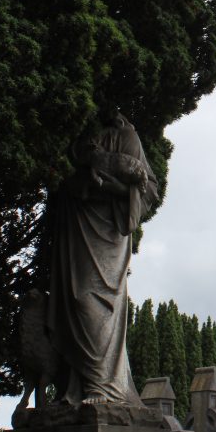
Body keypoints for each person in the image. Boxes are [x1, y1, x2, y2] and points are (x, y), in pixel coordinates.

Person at [47, 111, 157, 406]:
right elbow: (64, 178)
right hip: (77, 224)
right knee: (73, 300)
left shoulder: (126, 136)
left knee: (90, 299)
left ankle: (104, 387)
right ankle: (76, 387)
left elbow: (146, 190)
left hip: (108, 230)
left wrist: (108, 187)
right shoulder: (75, 135)